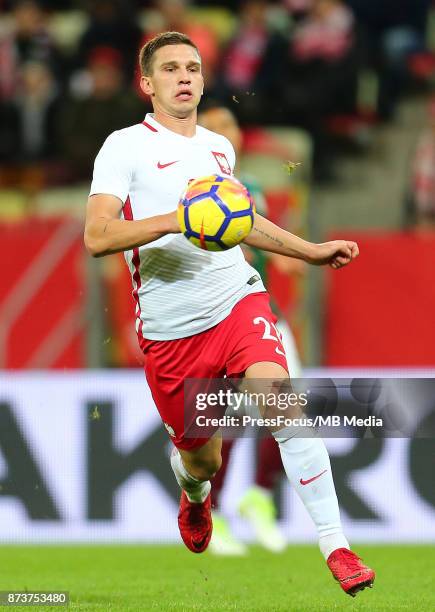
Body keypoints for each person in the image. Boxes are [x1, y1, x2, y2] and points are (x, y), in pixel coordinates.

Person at [84, 31, 375, 597]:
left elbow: (240, 222)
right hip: (171, 332)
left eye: (192, 67)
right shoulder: (122, 147)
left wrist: (310, 250)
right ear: (147, 84)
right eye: (169, 69)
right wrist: (175, 218)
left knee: (283, 405)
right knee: (203, 462)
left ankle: (336, 546)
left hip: (236, 300)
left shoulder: (218, 149)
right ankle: (195, 501)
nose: (184, 76)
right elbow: (97, 236)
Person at [198, 101, 304, 555]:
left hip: (266, 315)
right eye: (215, 126)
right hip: (218, 321)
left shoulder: (251, 190)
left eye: (231, 123)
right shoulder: (191, 191)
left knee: (289, 415)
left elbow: (266, 244)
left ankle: (258, 498)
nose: (226, 132)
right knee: (225, 423)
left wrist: (288, 255)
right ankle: (213, 513)